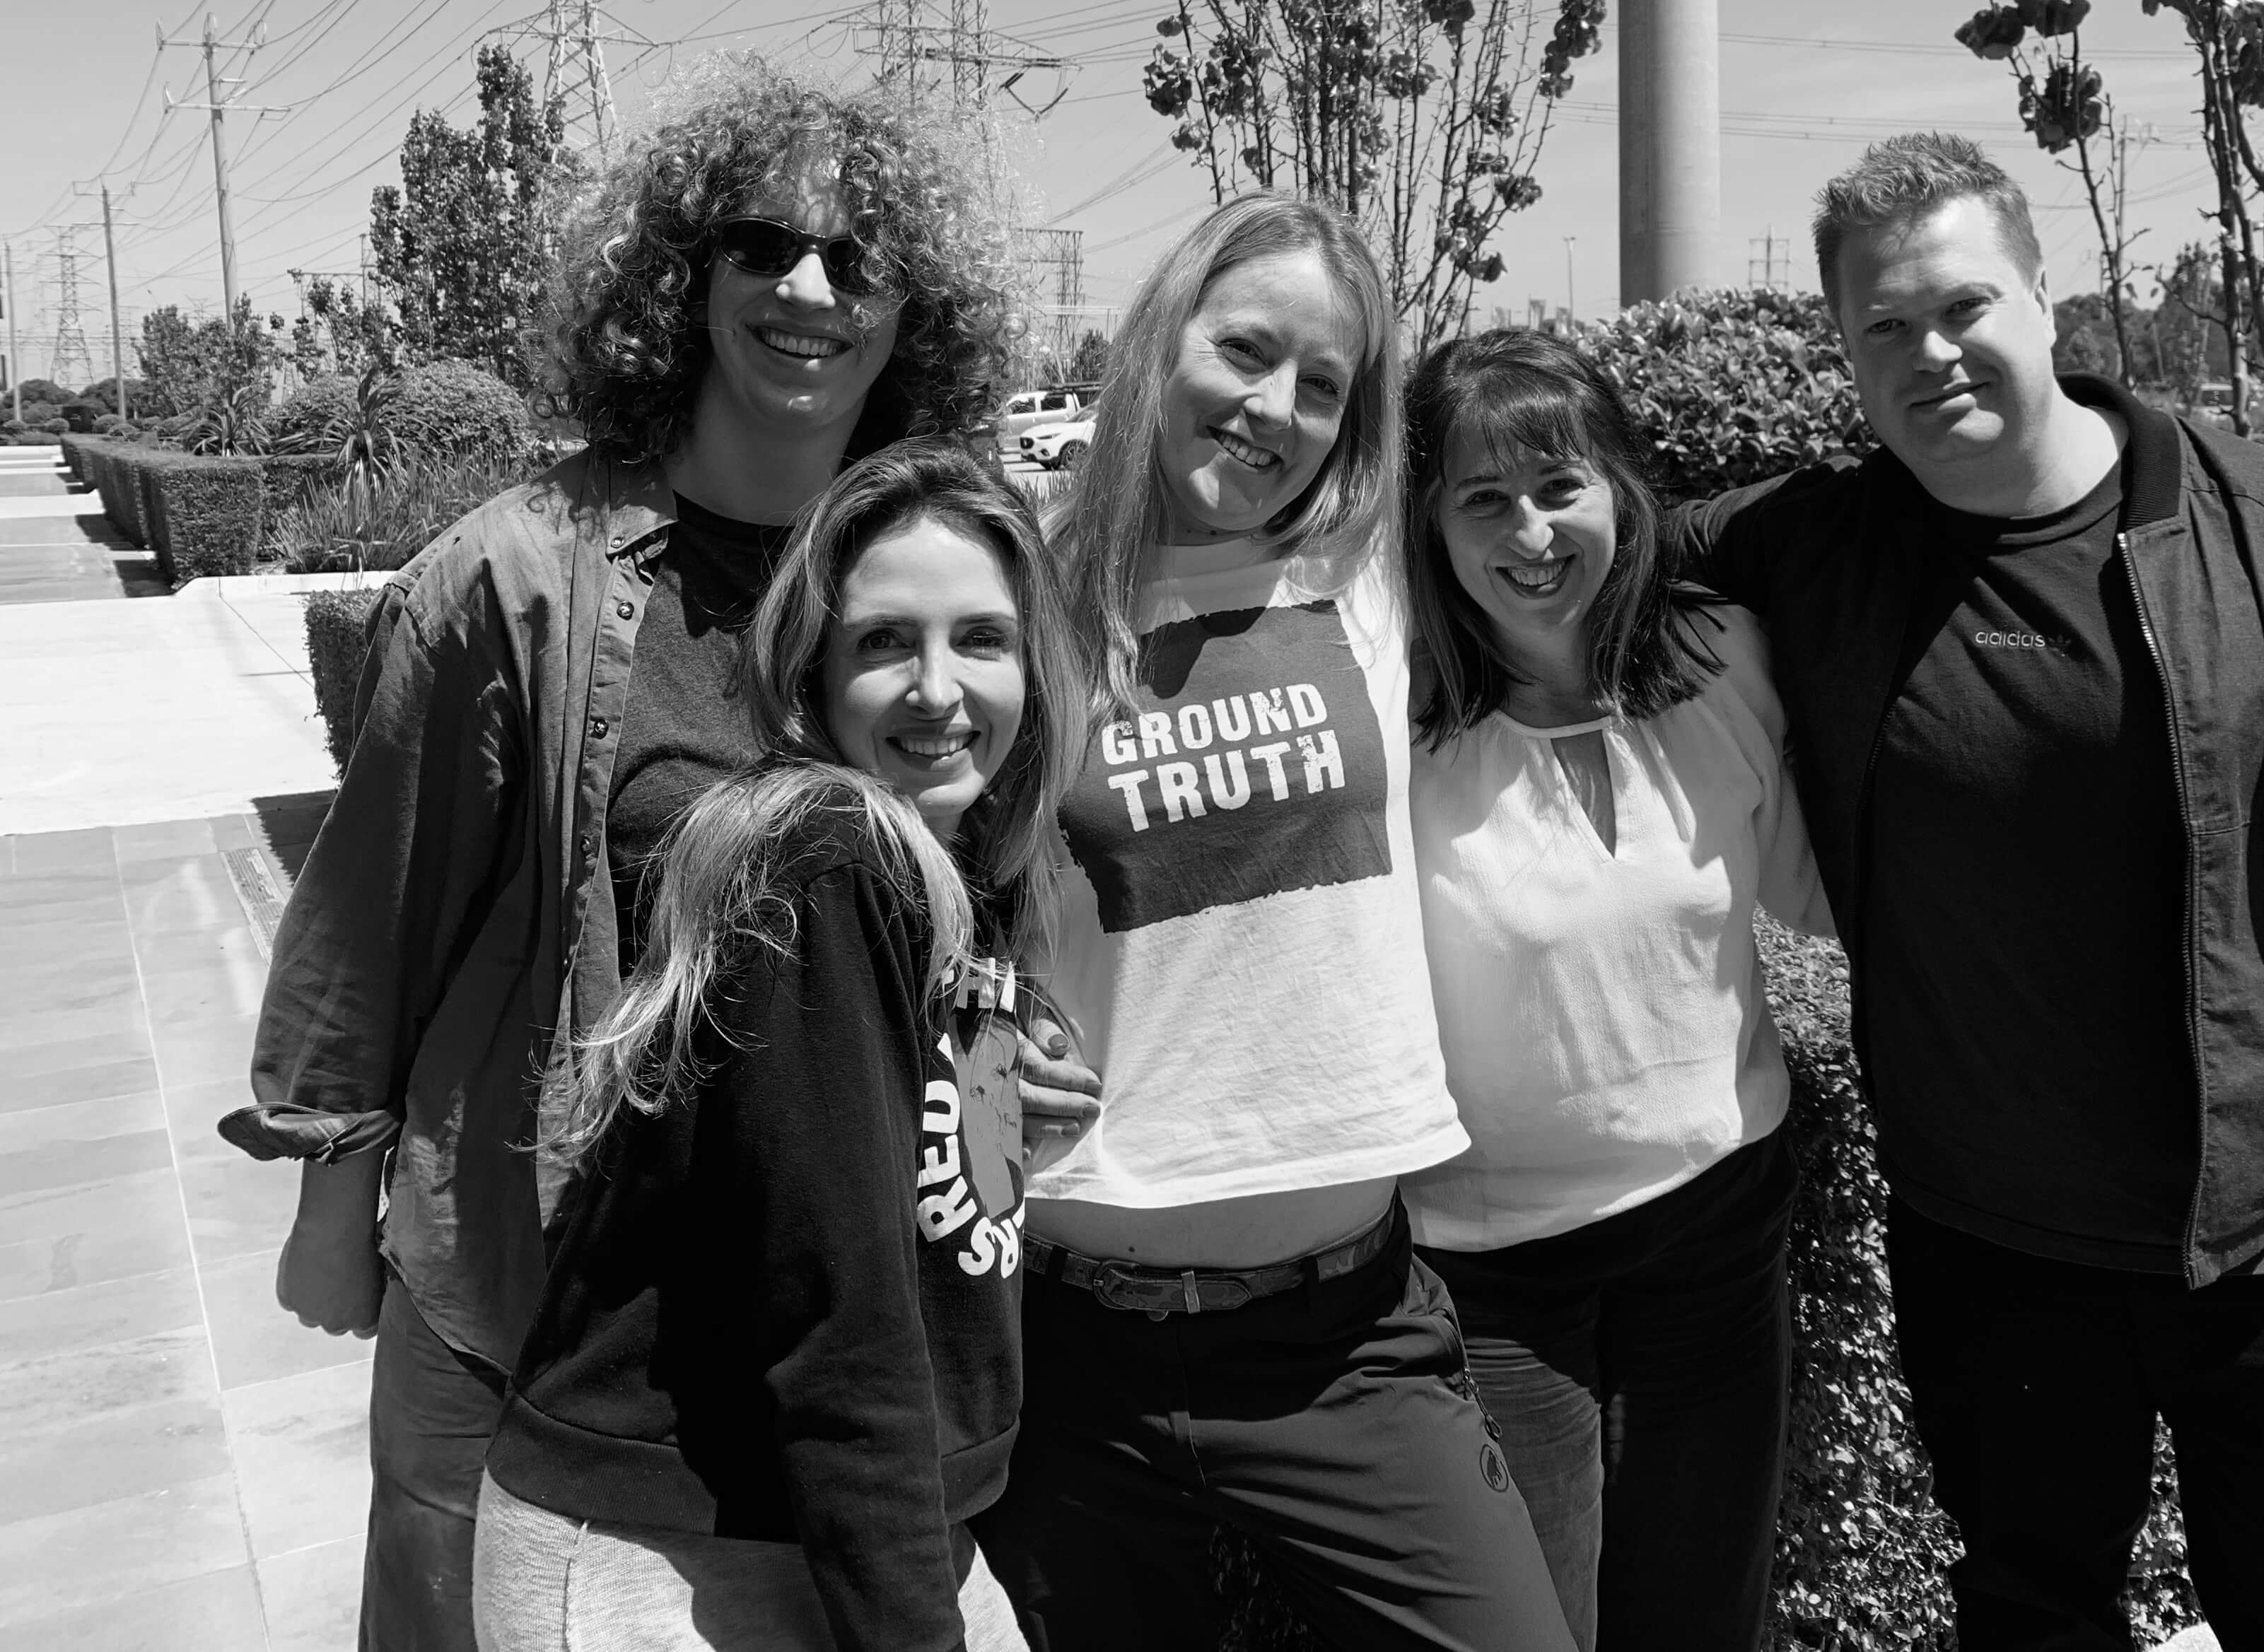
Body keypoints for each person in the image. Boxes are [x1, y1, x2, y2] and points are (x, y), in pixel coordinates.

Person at [1669, 134, 2264, 1652]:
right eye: (1883, 325)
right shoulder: (1814, 547)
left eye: (1963, 306)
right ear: (1845, 349)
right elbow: (1573, 551)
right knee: (2032, 1619)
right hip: (1990, 1253)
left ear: (2045, 299)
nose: (1929, 354)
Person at [220, 59, 1028, 1650]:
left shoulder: (934, 572)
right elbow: (377, 906)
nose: (810, 289)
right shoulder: (519, 576)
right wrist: (332, 1201)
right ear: (683, 277)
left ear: (914, 308)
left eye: (858, 257)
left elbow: (981, 904)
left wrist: (996, 1130)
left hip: (837, 1304)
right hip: (533, 1287)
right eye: (763, 245)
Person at [969, 194, 1574, 1652]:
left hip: (1348, 1342)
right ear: (1160, 341)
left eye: (1323, 384)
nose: (1274, 408)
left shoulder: (1379, 577)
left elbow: (1596, 552)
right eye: (1245, 351)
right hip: (1071, 1350)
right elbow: (934, 883)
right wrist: (982, 1040)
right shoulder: (1018, 598)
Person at [473, 443, 1085, 1651]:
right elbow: (842, 1317)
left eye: (981, 639)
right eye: (884, 642)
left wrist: (1000, 1116)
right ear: (812, 674)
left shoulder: (953, 859)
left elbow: (916, 1201)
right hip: (669, 1545)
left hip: (826, 1516)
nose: (938, 689)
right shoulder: (828, 864)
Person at [1398, 329, 1831, 1652]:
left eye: (1560, 487)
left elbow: (1826, 892)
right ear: (1429, 527)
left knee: (1701, 1617)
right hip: (1492, 1272)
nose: (1531, 534)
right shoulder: (1392, 721)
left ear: (1624, 494)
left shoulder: (1727, 660)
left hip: (1720, 1230)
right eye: (1483, 499)